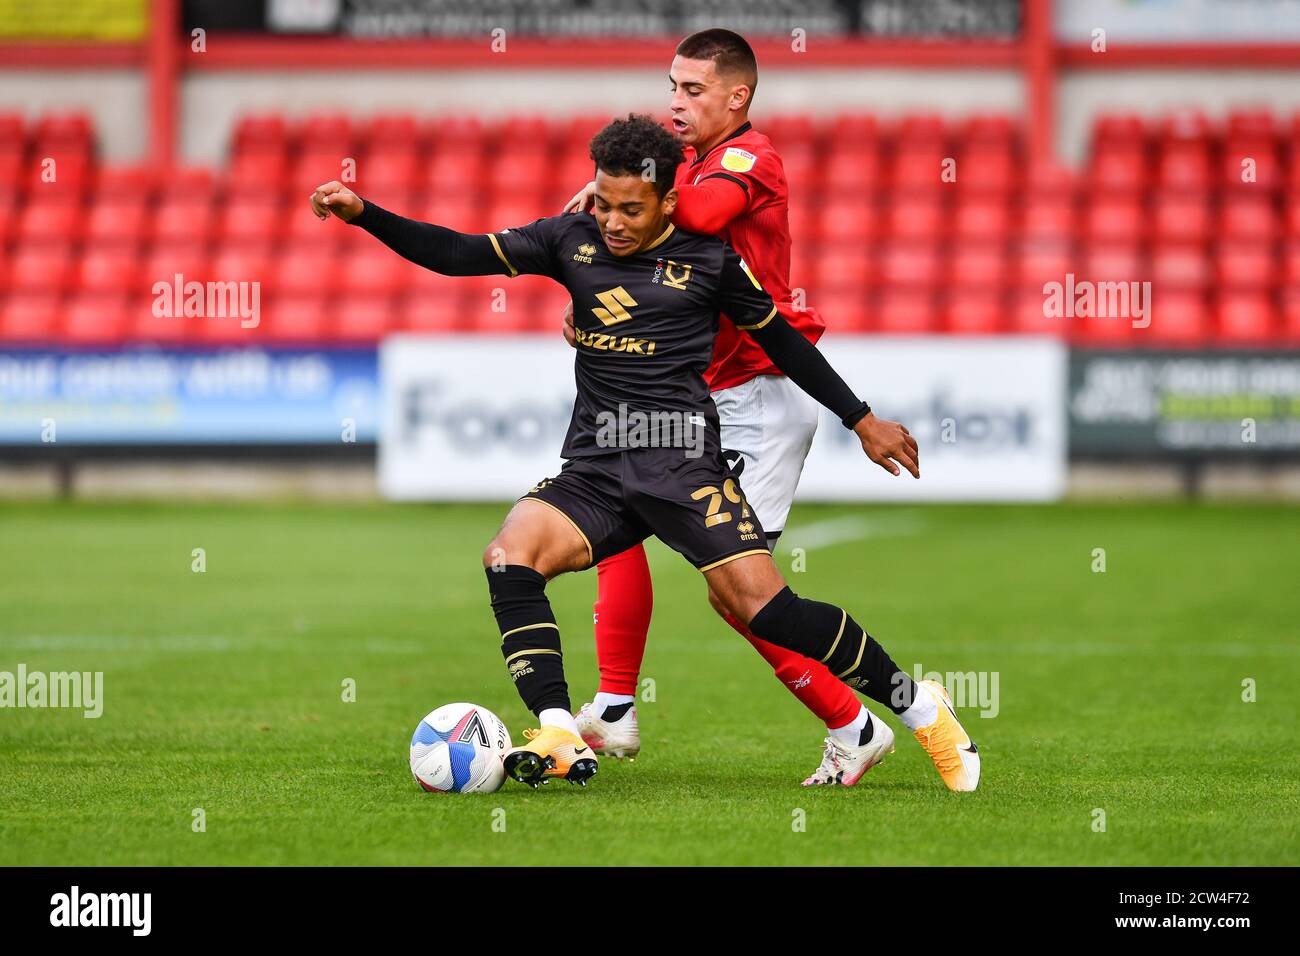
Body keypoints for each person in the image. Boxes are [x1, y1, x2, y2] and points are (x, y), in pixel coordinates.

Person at [309, 114, 979, 793]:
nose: (614, 221)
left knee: (765, 610)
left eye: (633, 208)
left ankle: (922, 708)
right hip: (597, 468)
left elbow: (786, 345)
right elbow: (456, 254)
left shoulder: (712, 262)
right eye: (604, 203)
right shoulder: (567, 239)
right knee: (509, 557)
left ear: (668, 202)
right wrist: (366, 214)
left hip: (682, 467)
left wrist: (860, 419)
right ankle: (558, 726)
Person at [561, 29, 888, 786]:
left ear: (737, 96)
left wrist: (619, 203)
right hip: (695, 395)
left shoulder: (748, 158)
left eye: (693, 90)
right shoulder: (686, 167)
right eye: (672, 86)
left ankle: (859, 721)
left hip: (756, 395)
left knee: (741, 596)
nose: (675, 102)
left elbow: (699, 220)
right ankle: (614, 706)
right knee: (615, 522)